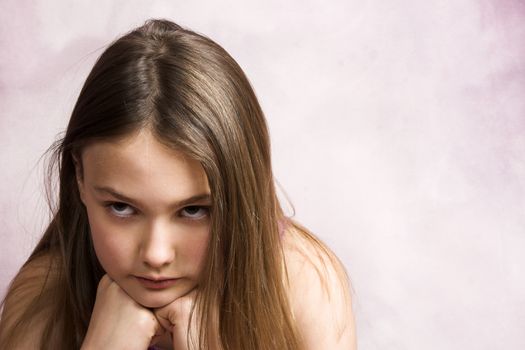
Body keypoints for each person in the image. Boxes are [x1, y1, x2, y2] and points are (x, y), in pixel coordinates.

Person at [0, 19, 356, 349]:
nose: (156, 254)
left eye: (194, 210)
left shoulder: (302, 283)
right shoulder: (44, 300)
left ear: (241, 189)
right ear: (79, 177)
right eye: (121, 208)